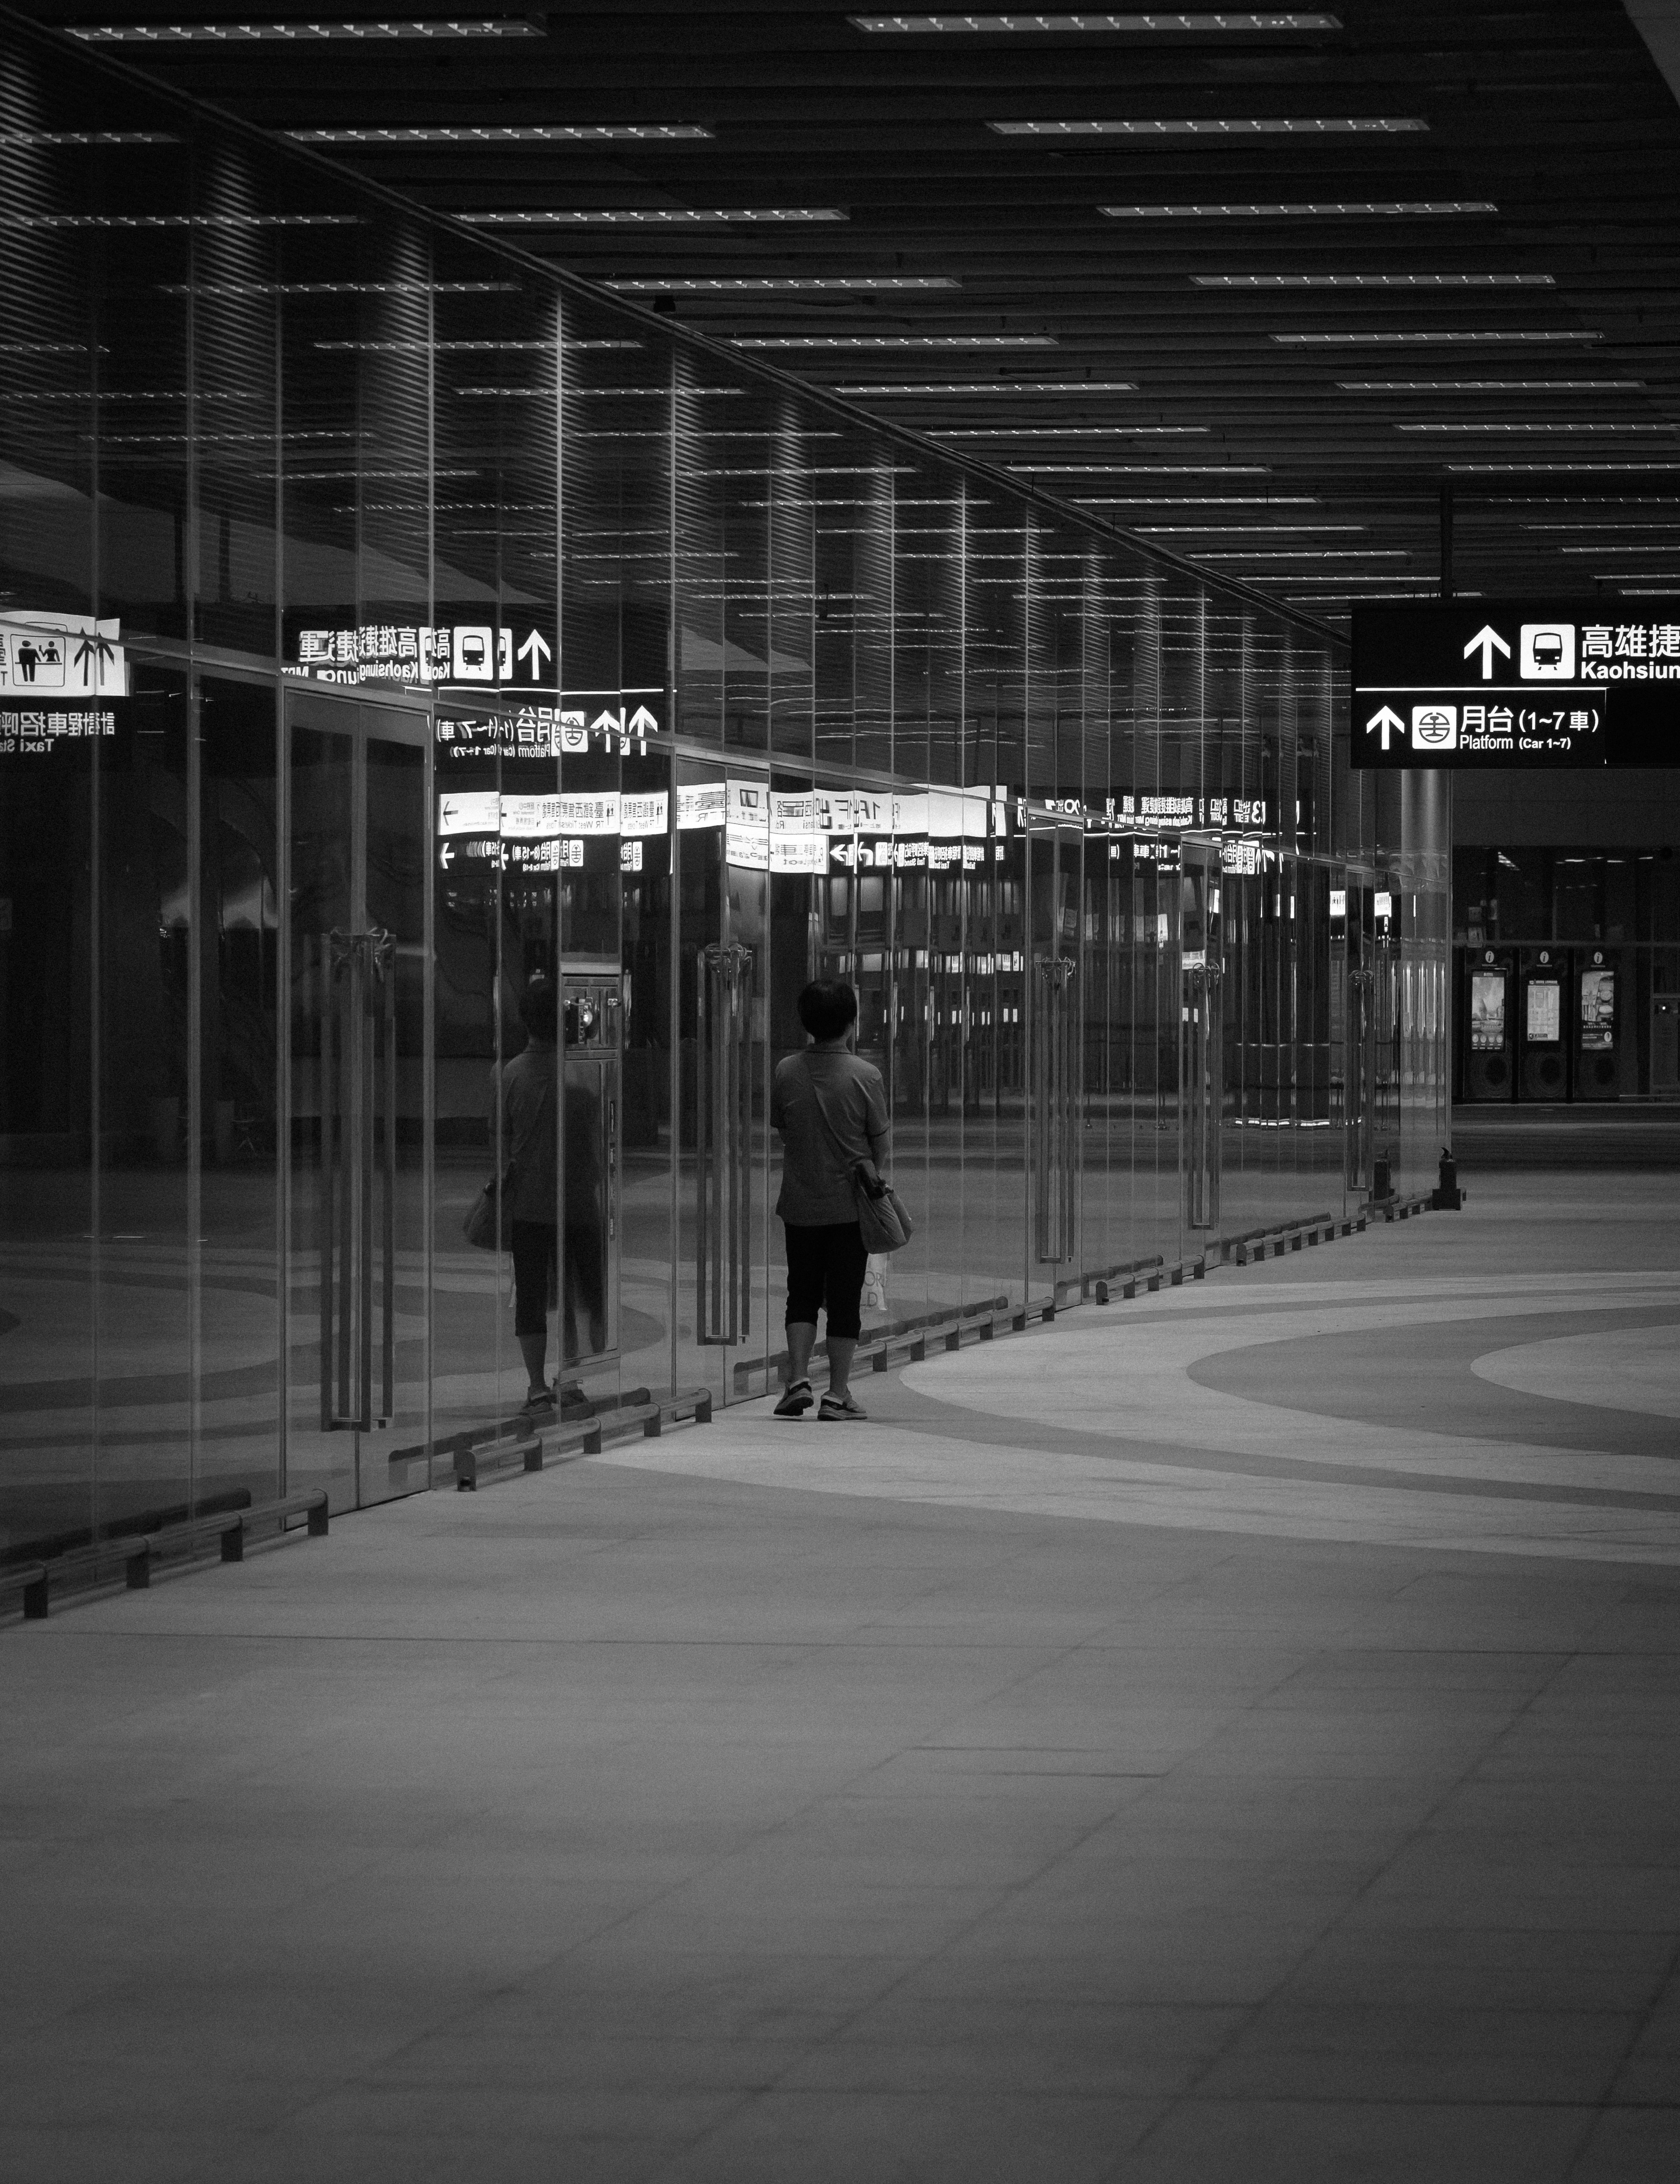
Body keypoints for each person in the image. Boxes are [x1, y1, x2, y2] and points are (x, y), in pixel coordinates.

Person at [769, 977, 888, 1422]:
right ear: (851, 1021)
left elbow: (784, 1129)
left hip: (799, 1202)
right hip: (848, 1207)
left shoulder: (786, 1070)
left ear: (806, 1022)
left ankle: (797, 1379)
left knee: (800, 1292)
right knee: (843, 1298)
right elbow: (880, 1146)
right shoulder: (865, 1075)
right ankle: (838, 1393)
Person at [502, 975, 561, 1413]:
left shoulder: (511, 1073)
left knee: (531, 1293)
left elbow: (500, 1141)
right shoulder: (581, 1069)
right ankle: (578, 1369)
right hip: (576, 1198)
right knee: (584, 1290)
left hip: (527, 1202)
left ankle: (537, 1384)